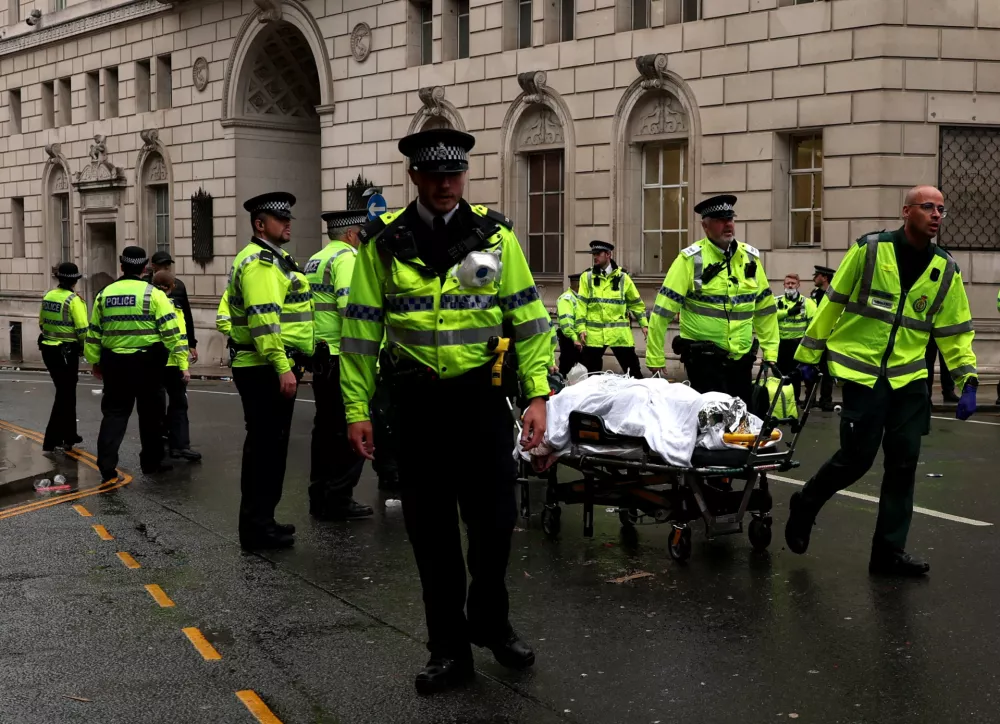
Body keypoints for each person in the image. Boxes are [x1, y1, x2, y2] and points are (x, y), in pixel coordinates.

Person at [341, 128, 550, 695]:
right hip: (416, 404)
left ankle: (489, 619)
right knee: (431, 535)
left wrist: (537, 396)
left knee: (497, 524)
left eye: (453, 174)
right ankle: (448, 651)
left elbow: (529, 320)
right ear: (414, 177)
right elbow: (359, 331)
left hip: (480, 399)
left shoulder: (494, 236)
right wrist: (357, 408)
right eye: (433, 175)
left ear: (464, 175)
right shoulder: (383, 243)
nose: (444, 184)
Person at [787, 185, 978, 576]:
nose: (937, 214)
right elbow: (833, 303)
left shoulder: (945, 268)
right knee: (856, 460)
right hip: (863, 374)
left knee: (903, 465)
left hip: (909, 380)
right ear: (906, 211)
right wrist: (807, 355)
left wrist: (967, 378)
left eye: (942, 208)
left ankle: (888, 553)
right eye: (928, 207)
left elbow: (955, 331)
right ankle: (806, 502)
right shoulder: (870, 250)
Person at [226, 191, 315, 550]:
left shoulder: (274, 260)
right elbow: (264, 322)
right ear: (260, 225)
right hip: (264, 366)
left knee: (270, 448)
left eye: (289, 218)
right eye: (280, 219)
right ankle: (257, 528)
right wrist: (283, 367)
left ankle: (264, 520)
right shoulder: (261, 263)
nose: (288, 223)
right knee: (265, 449)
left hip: (265, 364)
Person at [646, 195, 779, 406]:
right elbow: (662, 311)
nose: (727, 224)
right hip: (703, 359)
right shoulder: (690, 260)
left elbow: (765, 310)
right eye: (719, 220)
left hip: (741, 358)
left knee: (741, 419)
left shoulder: (750, 258)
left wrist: (771, 351)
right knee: (713, 419)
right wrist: (655, 355)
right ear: (705, 226)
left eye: (730, 219)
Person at [84, 246, 181, 482]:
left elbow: (94, 332)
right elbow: (172, 332)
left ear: (121, 266)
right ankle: (151, 463)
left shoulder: (104, 294)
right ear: (144, 267)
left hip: (114, 363)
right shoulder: (154, 294)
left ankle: (107, 467)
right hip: (148, 363)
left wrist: (95, 361)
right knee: (151, 416)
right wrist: (174, 359)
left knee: (114, 415)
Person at [304, 209, 372, 521]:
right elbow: (352, 310)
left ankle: (320, 494)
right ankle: (339, 497)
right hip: (341, 355)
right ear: (349, 234)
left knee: (325, 429)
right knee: (351, 426)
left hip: (320, 354)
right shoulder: (347, 259)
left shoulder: (315, 260)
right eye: (361, 233)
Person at [574, 241, 647, 378]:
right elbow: (581, 304)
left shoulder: (623, 277)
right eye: (593, 254)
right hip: (594, 335)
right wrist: (581, 328)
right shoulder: (587, 277)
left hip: (619, 335)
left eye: (598, 254)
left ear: (608, 254)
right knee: (590, 377)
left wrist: (644, 324)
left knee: (634, 374)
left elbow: (636, 303)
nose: (595, 257)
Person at [151, 270, 201, 463]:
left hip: (152, 363)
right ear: (171, 287)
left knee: (155, 406)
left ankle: (158, 444)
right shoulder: (173, 307)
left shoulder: (147, 304)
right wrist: (184, 366)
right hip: (172, 363)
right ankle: (179, 446)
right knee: (179, 403)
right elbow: (179, 338)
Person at [38, 262, 88, 452]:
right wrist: (87, 350)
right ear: (75, 280)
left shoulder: (48, 296)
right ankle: (52, 439)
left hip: (48, 351)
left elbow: (41, 322)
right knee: (65, 395)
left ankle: (69, 435)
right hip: (67, 353)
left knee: (65, 393)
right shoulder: (73, 301)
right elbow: (83, 330)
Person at [145, 251, 198, 364]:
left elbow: (187, 316)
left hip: (174, 351)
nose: (166, 267)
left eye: (168, 264)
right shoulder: (145, 284)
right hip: (152, 346)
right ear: (153, 266)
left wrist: (192, 344)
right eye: (162, 264)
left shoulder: (178, 286)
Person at [775, 273, 817, 403]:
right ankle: (780, 403)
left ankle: (794, 401)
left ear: (798, 285)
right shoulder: (777, 301)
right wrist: (787, 312)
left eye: (793, 283)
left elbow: (813, 324)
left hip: (798, 344)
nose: (790, 285)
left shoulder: (807, 303)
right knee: (779, 376)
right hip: (780, 345)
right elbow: (769, 318)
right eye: (787, 283)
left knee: (796, 377)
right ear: (784, 285)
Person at [808, 264, 836, 410]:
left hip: (830, 337)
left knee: (828, 371)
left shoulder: (834, 294)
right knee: (812, 369)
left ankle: (826, 400)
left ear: (824, 278)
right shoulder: (814, 294)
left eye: (817, 275)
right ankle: (810, 399)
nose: (814, 277)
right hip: (816, 336)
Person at [555, 272, 582, 375]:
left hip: (577, 338)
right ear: (578, 284)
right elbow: (566, 322)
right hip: (569, 339)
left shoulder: (578, 298)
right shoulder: (567, 298)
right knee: (567, 365)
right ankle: (563, 387)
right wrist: (574, 338)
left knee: (578, 369)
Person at [924, 337, 957, 403]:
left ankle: (948, 390)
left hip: (944, 332)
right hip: (932, 330)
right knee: (928, 361)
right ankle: (926, 392)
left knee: (947, 360)